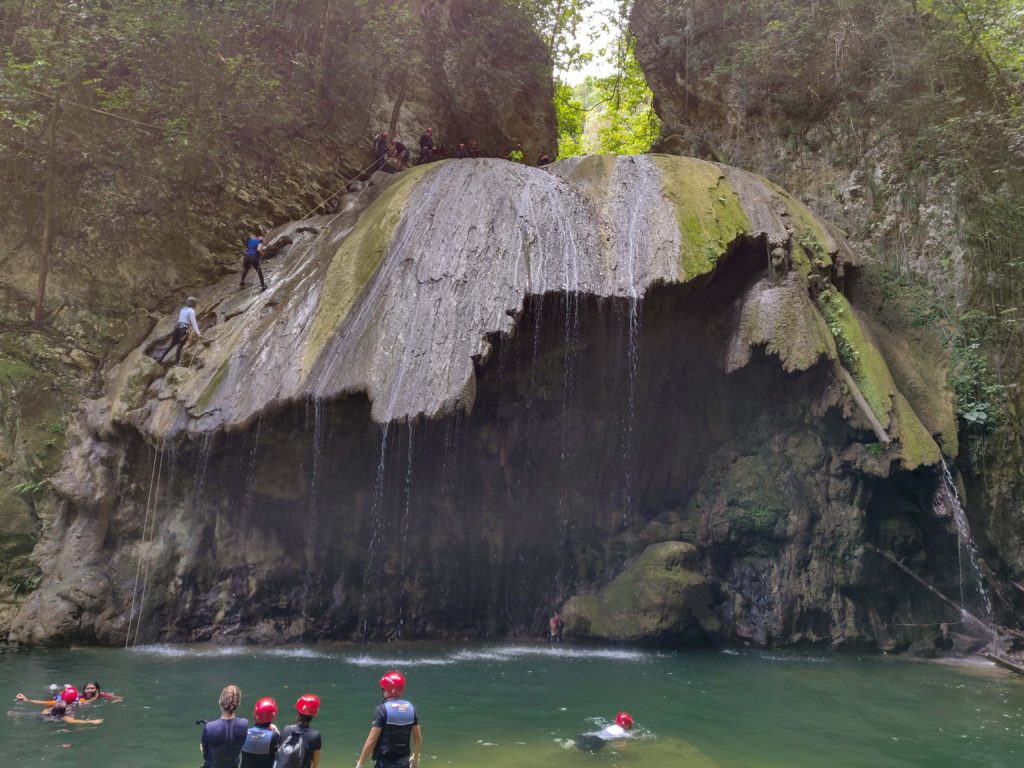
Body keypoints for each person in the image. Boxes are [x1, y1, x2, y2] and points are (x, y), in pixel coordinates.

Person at [357, 671, 422, 768]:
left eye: (383, 688)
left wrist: (360, 764)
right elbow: (417, 737)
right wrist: (416, 757)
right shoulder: (410, 708)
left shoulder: (382, 710)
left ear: (388, 690)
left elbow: (371, 741)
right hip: (405, 764)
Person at [200, 684, 249, 768]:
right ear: (237, 703)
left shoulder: (209, 728)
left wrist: (202, 748)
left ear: (220, 701)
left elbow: (206, 756)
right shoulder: (244, 724)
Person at [278, 694, 323, 768]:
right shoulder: (315, 735)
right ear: (315, 714)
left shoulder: (286, 729)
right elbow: (315, 764)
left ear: (298, 709)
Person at [17, 687, 102, 725]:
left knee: (42, 713)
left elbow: (41, 702)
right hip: (54, 721)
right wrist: (91, 722)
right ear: (75, 698)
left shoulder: (56, 702)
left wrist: (26, 700)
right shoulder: (73, 706)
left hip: (44, 715)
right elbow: (70, 721)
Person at [156, 296, 201, 365]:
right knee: (180, 346)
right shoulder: (191, 311)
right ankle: (177, 363)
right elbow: (193, 323)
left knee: (172, 344)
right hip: (183, 330)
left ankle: (160, 358)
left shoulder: (182, 309)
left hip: (177, 328)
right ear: (193, 304)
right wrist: (198, 333)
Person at [241, 697, 281, 768]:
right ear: (273, 716)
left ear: (254, 714)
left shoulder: (244, 732)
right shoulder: (274, 736)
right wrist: (277, 732)